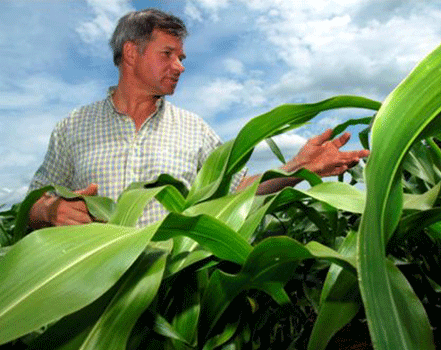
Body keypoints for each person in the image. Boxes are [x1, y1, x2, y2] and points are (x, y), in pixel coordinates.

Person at [27, 8, 369, 229]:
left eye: (182, 56)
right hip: (89, 293)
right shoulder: (72, 127)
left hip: (173, 295)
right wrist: (49, 211)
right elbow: (34, 201)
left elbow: (237, 191)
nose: (180, 66)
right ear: (131, 53)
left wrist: (296, 167)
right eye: (167, 54)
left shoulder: (196, 130)